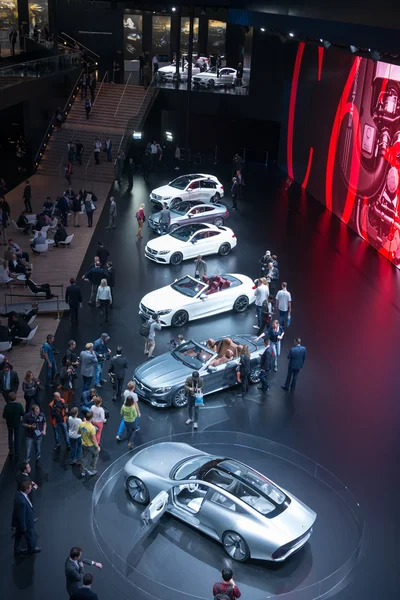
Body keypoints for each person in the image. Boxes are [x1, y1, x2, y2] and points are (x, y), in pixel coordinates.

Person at [12, 481, 41, 556]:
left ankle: (17, 550)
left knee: (18, 537)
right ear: (27, 490)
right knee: (31, 537)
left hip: (18, 523)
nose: (31, 489)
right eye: (30, 488)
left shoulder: (18, 494)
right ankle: (32, 549)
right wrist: (24, 527)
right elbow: (21, 515)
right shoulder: (22, 502)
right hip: (26, 524)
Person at [2, 392, 24, 457]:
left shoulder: (7, 406)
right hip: (17, 423)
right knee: (17, 437)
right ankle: (17, 451)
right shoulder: (19, 405)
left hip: (9, 424)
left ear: (8, 398)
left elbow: (4, 416)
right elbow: (22, 414)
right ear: (15, 397)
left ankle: (11, 450)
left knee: (10, 436)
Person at [79, 412, 100, 477]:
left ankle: (83, 471)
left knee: (83, 457)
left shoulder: (81, 424)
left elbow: (78, 432)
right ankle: (92, 469)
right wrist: (98, 446)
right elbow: (93, 439)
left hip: (83, 443)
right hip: (90, 445)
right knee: (96, 455)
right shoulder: (92, 428)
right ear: (91, 418)